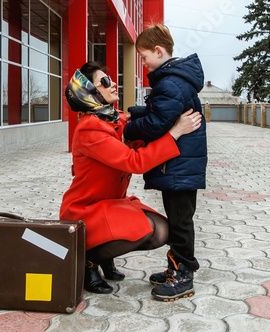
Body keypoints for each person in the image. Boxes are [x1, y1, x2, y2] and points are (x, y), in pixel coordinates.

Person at [60, 61, 202, 294]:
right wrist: (176, 132)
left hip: (112, 204)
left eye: (110, 78)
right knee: (144, 229)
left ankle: (106, 257)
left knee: (162, 231)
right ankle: (87, 261)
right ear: (89, 93)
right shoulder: (89, 129)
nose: (112, 83)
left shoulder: (114, 119)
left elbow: (138, 138)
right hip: (85, 209)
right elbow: (134, 161)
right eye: (104, 82)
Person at [123, 24, 207, 301]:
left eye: (144, 57)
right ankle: (175, 266)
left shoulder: (169, 82)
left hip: (179, 167)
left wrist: (129, 128)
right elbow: (161, 111)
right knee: (178, 217)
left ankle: (184, 274)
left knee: (181, 221)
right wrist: (135, 113)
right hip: (181, 165)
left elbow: (157, 123)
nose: (143, 62)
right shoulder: (174, 79)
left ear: (159, 51)